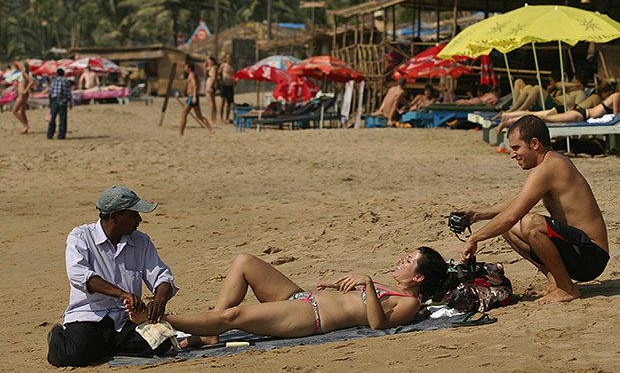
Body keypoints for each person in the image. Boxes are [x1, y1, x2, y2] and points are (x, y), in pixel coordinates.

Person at [125, 247, 447, 348]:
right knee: (243, 261)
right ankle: (210, 334)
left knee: (236, 316)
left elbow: (379, 326)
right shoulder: (388, 286)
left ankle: (159, 319)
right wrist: (339, 286)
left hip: (312, 319)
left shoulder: (409, 302)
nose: (401, 260)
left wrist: (365, 283)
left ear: (418, 278)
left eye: (408, 261)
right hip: (304, 298)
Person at [456, 115, 609, 304]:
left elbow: (512, 215)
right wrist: (477, 215)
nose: (512, 155)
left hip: (591, 255)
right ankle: (556, 280)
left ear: (534, 144)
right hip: (578, 250)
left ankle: (566, 288)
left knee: (529, 223)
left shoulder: (550, 166)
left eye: (516, 148)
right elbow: (518, 201)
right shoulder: (549, 163)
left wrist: (474, 238)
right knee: (508, 229)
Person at [47, 186, 178, 367]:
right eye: (134, 215)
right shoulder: (80, 237)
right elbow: (81, 276)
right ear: (115, 216)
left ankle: (105, 346)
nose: (139, 219)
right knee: (73, 355)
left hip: (125, 320)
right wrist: (122, 294)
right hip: (91, 316)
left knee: (161, 344)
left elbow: (163, 278)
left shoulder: (142, 241)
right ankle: (57, 335)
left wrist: (159, 301)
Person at [180, 62, 214, 136]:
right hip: (191, 96)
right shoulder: (190, 75)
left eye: (185, 67)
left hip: (192, 97)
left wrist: (194, 96)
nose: (184, 68)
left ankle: (181, 133)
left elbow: (195, 86)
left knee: (184, 114)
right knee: (199, 116)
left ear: (189, 68)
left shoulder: (192, 75)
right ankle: (210, 129)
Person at [47, 68, 72, 140]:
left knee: (52, 118)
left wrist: (50, 103)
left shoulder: (54, 81)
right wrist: (70, 102)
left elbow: (50, 92)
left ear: (57, 74)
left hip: (54, 100)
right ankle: (61, 135)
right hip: (63, 101)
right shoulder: (66, 81)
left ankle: (50, 134)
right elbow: (68, 93)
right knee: (63, 119)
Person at [12, 61, 33, 134]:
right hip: (22, 94)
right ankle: (25, 128)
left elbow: (31, 82)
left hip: (22, 95)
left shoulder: (24, 73)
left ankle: (25, 125)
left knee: (14, 111)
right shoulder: (23, 73)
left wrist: (25, 90)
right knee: (22, 111)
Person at [218, 53, 235, 123]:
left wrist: (235, 81)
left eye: (230, 57)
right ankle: (221, 118)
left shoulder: (233, 66)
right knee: (222, 102)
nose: (229, 59)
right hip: (224, 85)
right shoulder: (223, 65)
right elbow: (218, 73)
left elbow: (235, 74)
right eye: (227, 58)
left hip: (230, 85)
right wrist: (221, 81)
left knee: (229, 103)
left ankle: (227, 117)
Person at [204, 56, 218, 124]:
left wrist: (210, 86)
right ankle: (213, 118)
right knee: (212, 103)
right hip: (209, 84)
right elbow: (204, 68)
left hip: (210, 85)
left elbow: (214, 77)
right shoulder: (211, 68)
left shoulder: (213, 68)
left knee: (211, 103)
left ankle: (212, 118)